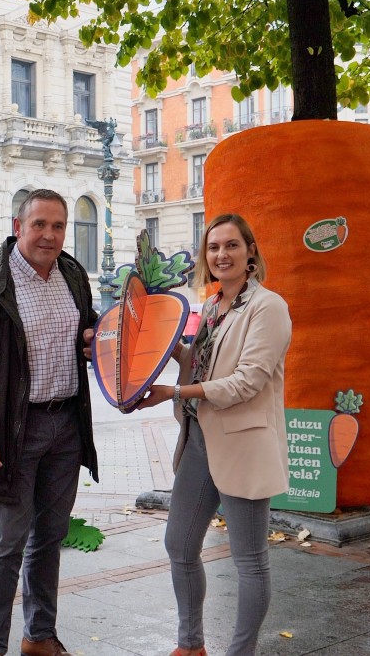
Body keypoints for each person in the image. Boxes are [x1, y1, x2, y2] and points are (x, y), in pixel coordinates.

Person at [0, 189, 99, 656]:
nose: (49, 235)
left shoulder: (72, 274)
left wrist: (92, 337)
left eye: (58, 226)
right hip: (12, 433)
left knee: (50, 537)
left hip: (66, 425)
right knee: (6, 543)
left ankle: (39, 636)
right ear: (18, 227)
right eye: (39, 225)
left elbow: (83, 326)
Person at [136, 214, 291, 656]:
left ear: (250, 253)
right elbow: (200, 363)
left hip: (244, 444)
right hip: (199, 439)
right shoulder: (211, 306)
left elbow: (246, 382)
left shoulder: (268, 307)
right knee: (179, 544)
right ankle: (191, 645)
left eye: (231, 246)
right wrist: (160, 346)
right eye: (213, 247)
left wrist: (176, 389)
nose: (221, 255)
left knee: (249, 560)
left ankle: (241, 652)